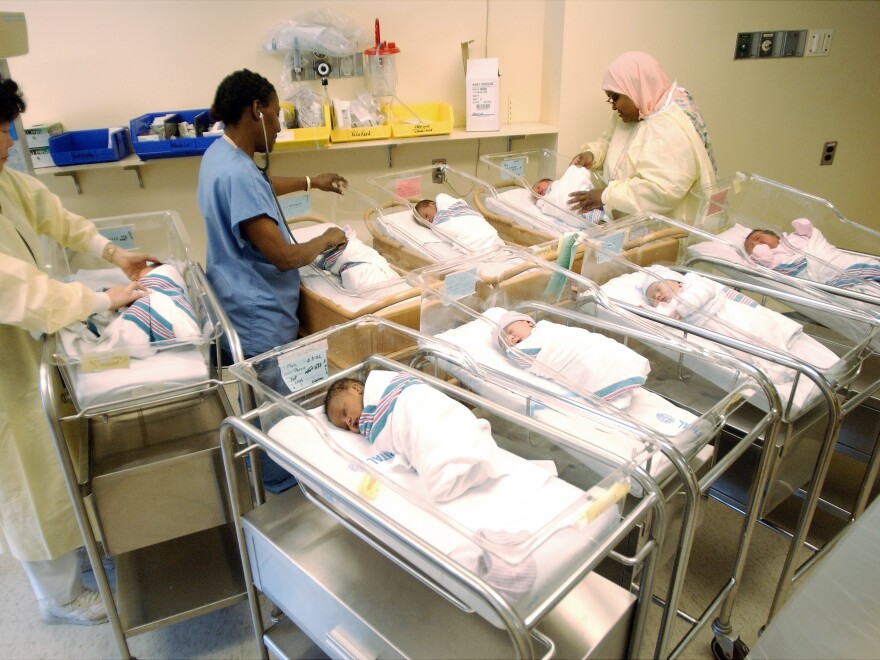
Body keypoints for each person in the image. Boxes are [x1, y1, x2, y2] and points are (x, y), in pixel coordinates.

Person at [0, 79, 156, 625]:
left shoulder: (4, 180)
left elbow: (50, 213)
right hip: (4, 368)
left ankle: (73, 560)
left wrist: (112, 251)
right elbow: (19, 288)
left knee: (51, 460)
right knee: (24, 478)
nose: (6, 144)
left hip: (25, 349)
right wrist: (99, 298)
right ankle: (58, 597)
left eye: (7, 131)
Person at [198, 68, 348, 493]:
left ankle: (268, 477)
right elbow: (282, 257)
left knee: (259, 406)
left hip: (232, 299)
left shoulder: (219, 156)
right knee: (281, 416)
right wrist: (325, 238)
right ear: (256, 110)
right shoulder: (238, 174)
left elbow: (259, 187)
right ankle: (282, 494)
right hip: (260, 316)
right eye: (278, 114)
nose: (281, 125)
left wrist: (309, 181)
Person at [569, 51, 716, 223]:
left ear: (635, 90)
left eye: (615, 98)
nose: (613, 106)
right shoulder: (635, 113)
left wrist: (605, 195)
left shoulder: (669, 127)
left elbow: (661, 190)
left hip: (661, 232)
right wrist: (592, 155)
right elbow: (611, 142)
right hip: (624, 223)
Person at [325, 371, 503, 502]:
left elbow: (414, 401)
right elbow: (393, 434)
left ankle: (464, 454)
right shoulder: (371, 423)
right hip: (419, 424)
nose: (348, 421)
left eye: (344, 411)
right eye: (344, 426)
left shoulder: (387, 385)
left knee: (443, 427)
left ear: (356, 389)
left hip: (426, 406)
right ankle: (467, 462)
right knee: (429, 444)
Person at [494, 310, 650, 405]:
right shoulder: (522, 349)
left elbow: (573, 341)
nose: (510, 339)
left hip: (585, 347)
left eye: (510, 331)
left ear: (528, 322)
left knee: (601, 354)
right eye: (504, 341)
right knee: (592, 366)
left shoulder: (546, 330)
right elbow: (523, 357)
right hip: (574, 359)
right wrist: (511, 351)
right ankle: (617, 390)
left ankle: (620, 379)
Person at [745, 219, 880, 288]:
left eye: (758, 238)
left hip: (828, 258)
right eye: (751, 246)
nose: (756, 244)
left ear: (776, 237)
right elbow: (765, 260)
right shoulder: (772, 260)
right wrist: (760, 251)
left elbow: (812, 235)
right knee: (864, 292)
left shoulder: (792, 238)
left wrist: (805, 228)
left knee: (849, 264)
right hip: (824, 275)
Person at [314, 225, 397, 291]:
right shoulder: (326, 256)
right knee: (353, 276)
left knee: (356, 276)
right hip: (374, 272)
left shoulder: (349, 243)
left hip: (370, 262)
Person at [414, 193, 505, 253]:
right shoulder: (438, 224)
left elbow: (443, 197)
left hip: (484, 231)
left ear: (433, 204)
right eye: (425, 222)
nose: (428, 220)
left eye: (426, 215)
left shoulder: (446, 203)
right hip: (471, 244)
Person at [531, 164, 608, 227]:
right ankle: (601, 219)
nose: (538, 191)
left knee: (585, 196)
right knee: (584, 214)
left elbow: (570, 181)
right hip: (576, 208)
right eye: (535, 195)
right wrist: (540, 202)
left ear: (549, 181)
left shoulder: (559, 184)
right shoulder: (548, 197)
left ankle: (601, 212)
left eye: (538, 187)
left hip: (580, 192)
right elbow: (548, 206)